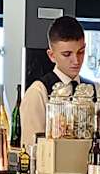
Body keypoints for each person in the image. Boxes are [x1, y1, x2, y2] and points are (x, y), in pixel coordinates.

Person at [19, 16, 94, 149]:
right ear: (51, 55)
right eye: (67, 54)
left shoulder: (95, 89)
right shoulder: (38, 92)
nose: (76, 60)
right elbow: (31, 148)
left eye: (80, 52)